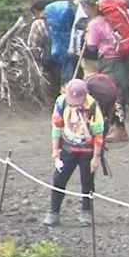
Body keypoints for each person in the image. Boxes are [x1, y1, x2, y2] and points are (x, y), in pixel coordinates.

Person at [43, 79, 104, 227]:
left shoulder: (93, 106)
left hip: (87, 150)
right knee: (59, 179)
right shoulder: (61, 102)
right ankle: (53, 211)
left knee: (87, 181)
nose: (74, 104)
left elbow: (98, 134)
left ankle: (86, 211)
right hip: (68, 148)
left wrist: (96, 157)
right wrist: (55, 150)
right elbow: (57, 126)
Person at [78, 0, 129, 142]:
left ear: (88, 6)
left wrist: (85, 40)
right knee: (117, 92)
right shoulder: (108, 19)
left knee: (114, 94)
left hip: (108, 60)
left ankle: (119, 129)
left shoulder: (94, 23)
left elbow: (92, 47)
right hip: (119, 57)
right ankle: (118, 127)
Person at [68, 0, 115, 73]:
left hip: (88, 51)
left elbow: (76, 27)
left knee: (91, 81)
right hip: (108, 53)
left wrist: (73, 49)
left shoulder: (85, 2)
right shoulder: (111, 2)